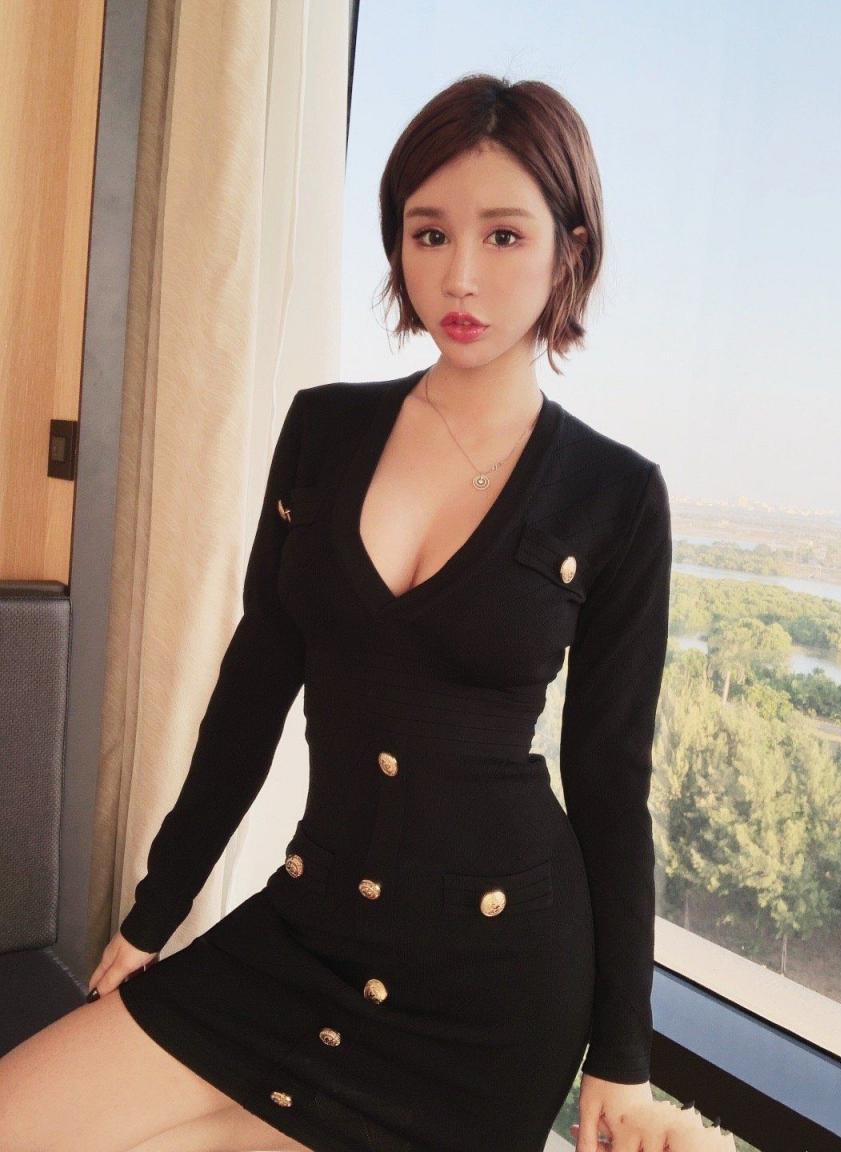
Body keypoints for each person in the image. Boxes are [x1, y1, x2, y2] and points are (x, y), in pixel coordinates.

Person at [0, 74, 673, 1152]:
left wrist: (623, 1056)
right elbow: (252, 691)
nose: (459, 274)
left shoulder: (618, 495)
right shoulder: (324, 431)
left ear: (570, 250)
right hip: (302, 931)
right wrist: (155, 912)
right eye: (429, 232)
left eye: (504, 236)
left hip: (492, 990)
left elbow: (609, 784)